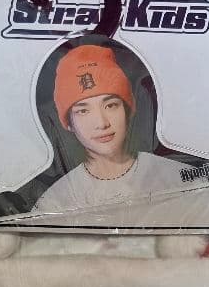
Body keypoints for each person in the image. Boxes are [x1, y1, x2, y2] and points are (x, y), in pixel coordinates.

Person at [35, 44, 190, 215]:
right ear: (69, 123)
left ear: (127, 111)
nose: (102, 123)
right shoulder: (55, 201)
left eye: (110, 105)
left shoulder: (175, 176)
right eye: (83, 111)